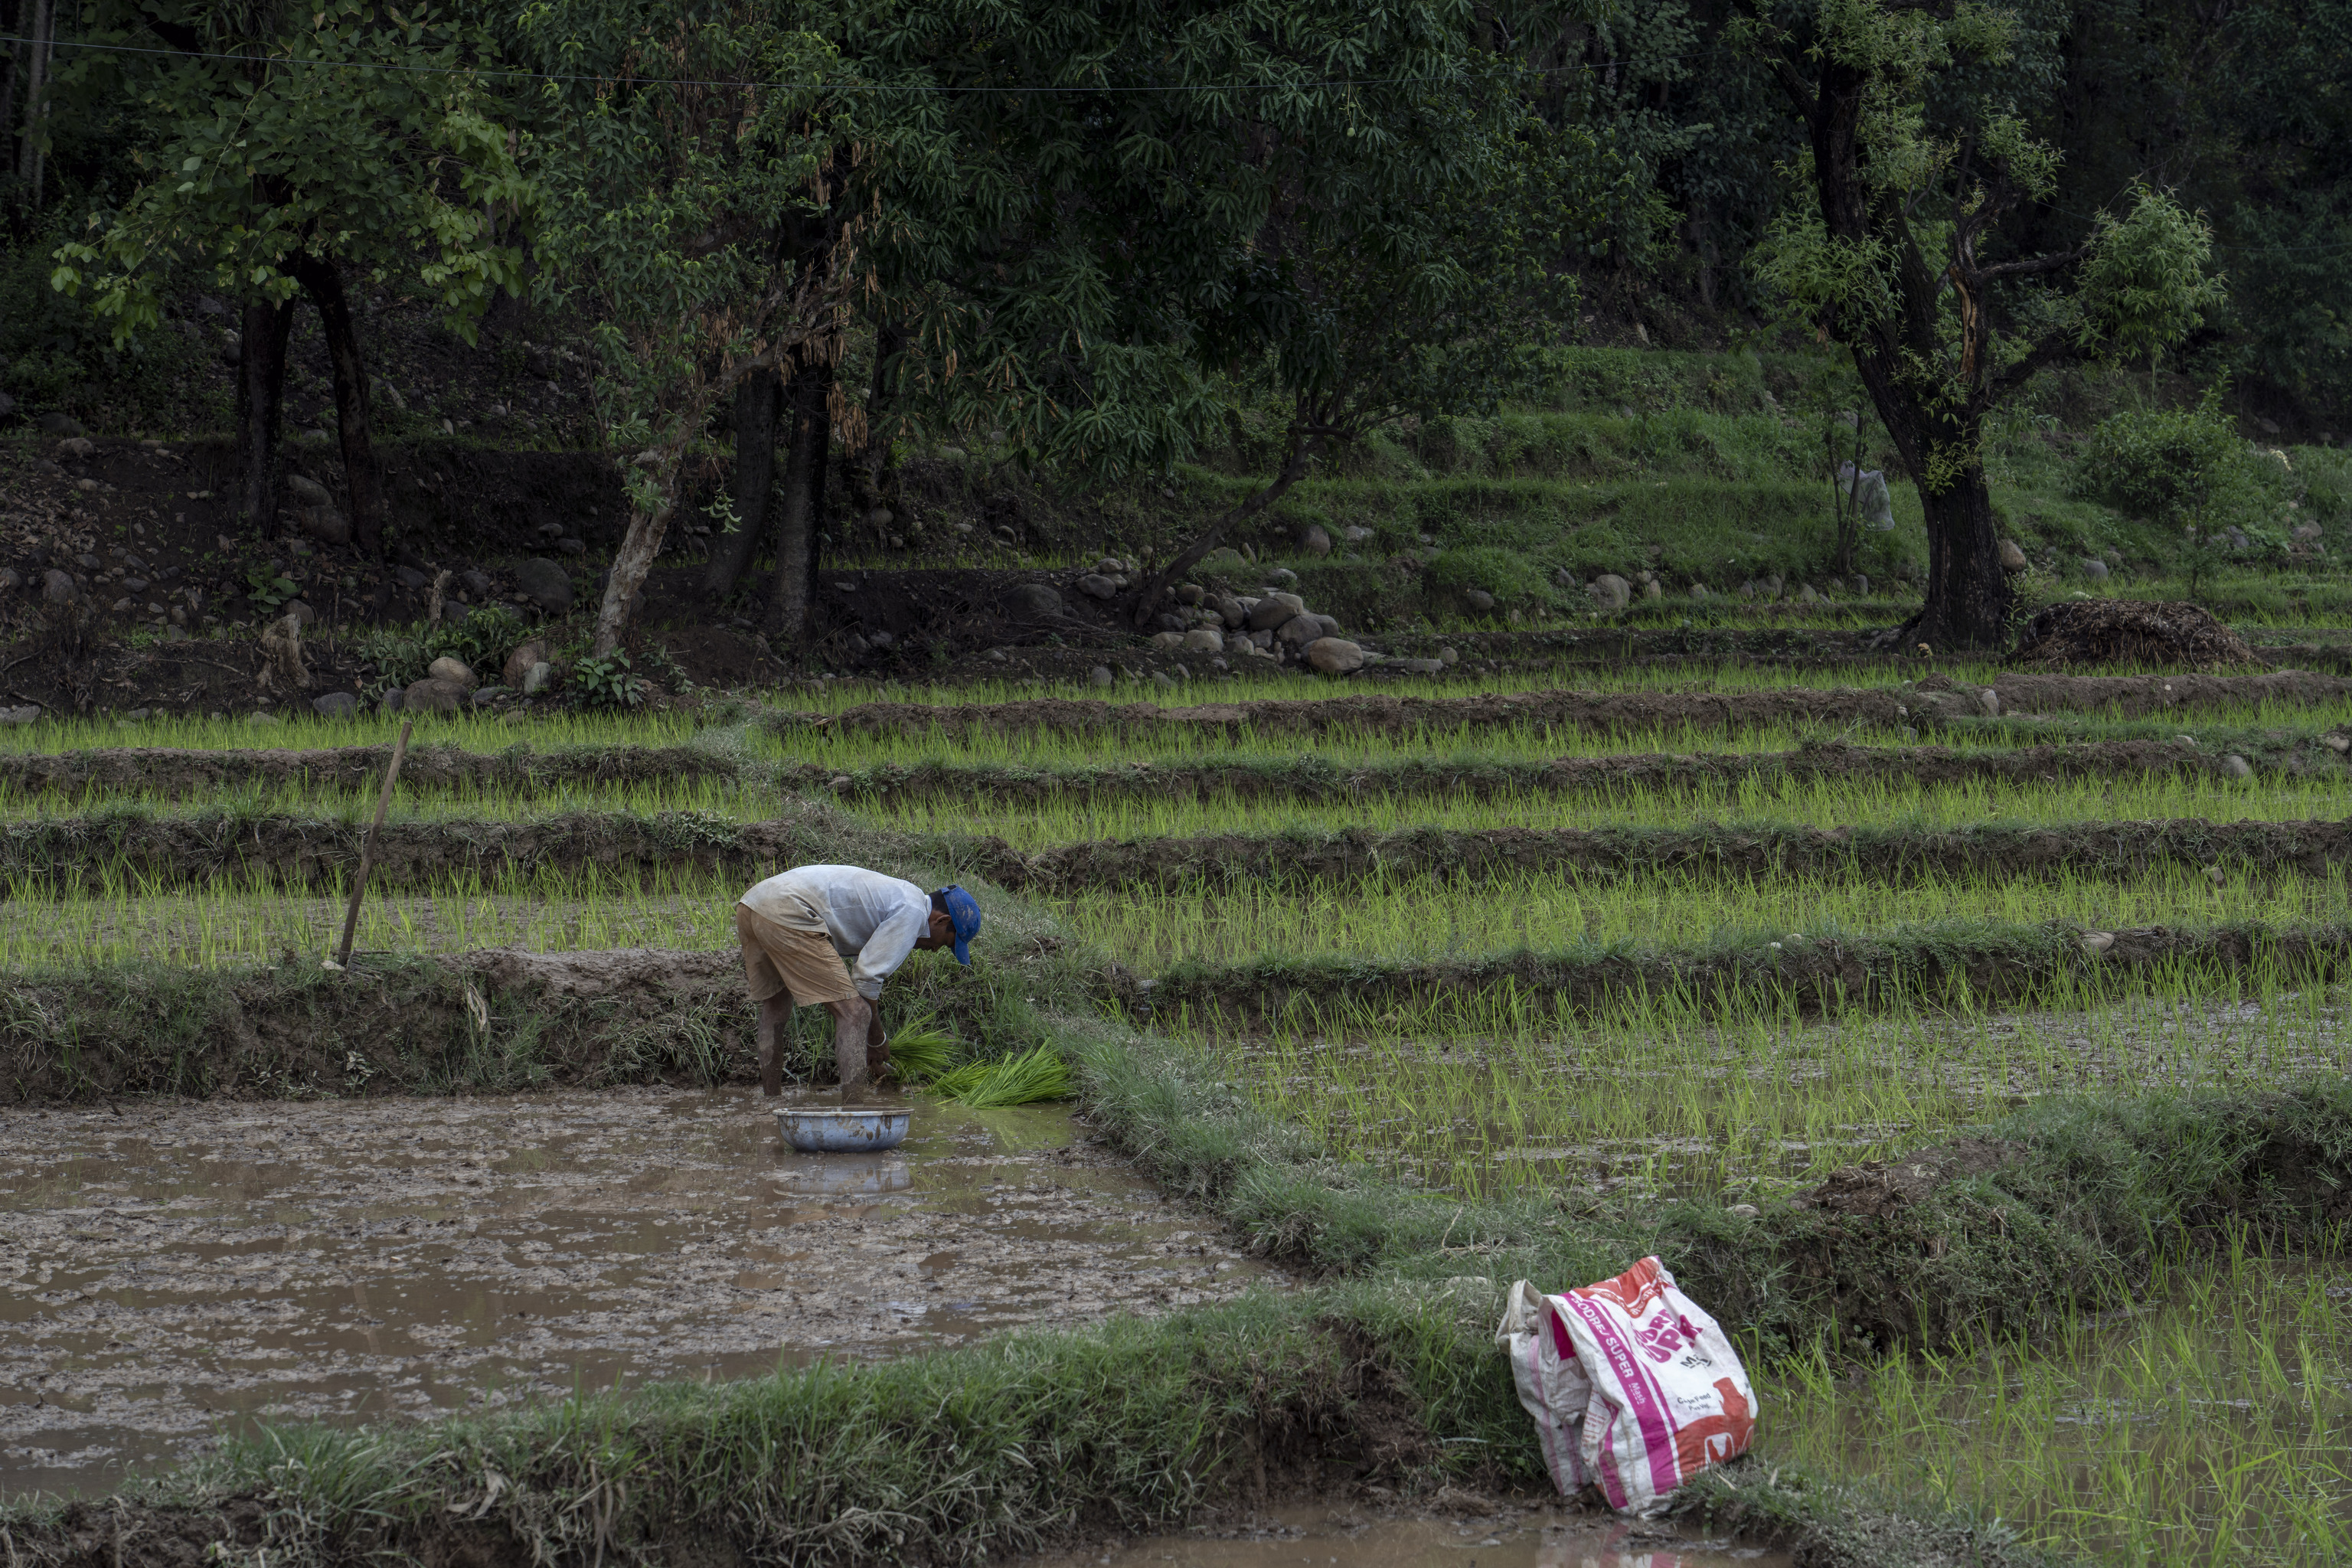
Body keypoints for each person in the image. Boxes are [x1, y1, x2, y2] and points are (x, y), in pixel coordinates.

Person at [735, 864, 982, 1098]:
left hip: (753, 903)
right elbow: (866, 979)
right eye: (947, 943)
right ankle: (853, 1116)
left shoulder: (903, 895)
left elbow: (863, 970)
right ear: (942, 921)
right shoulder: (914, 912)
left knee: (775, 1007)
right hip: (789, 910)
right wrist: (876, 1039)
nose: (937, 950)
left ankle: (770, 1103)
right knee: (855, 1014)